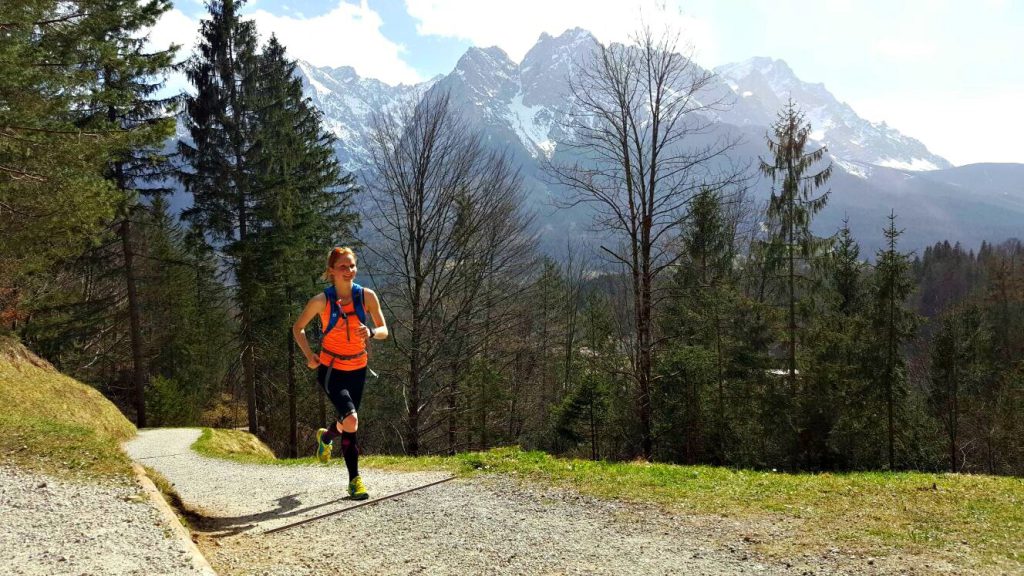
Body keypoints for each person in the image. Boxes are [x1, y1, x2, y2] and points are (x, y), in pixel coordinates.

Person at [292, 247, 388, 500]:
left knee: (347, 422)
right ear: (331, 270)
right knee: (352, 421)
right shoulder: (320, 301)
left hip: (358, 369)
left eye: (352, 266)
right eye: (343, 267)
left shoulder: (367, 297)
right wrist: (309, 356)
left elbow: (384, 329)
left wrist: (371, 332)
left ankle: (326, 437)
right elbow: (298, 328)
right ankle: (354, 480)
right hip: (331, 370)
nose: (349, 271)